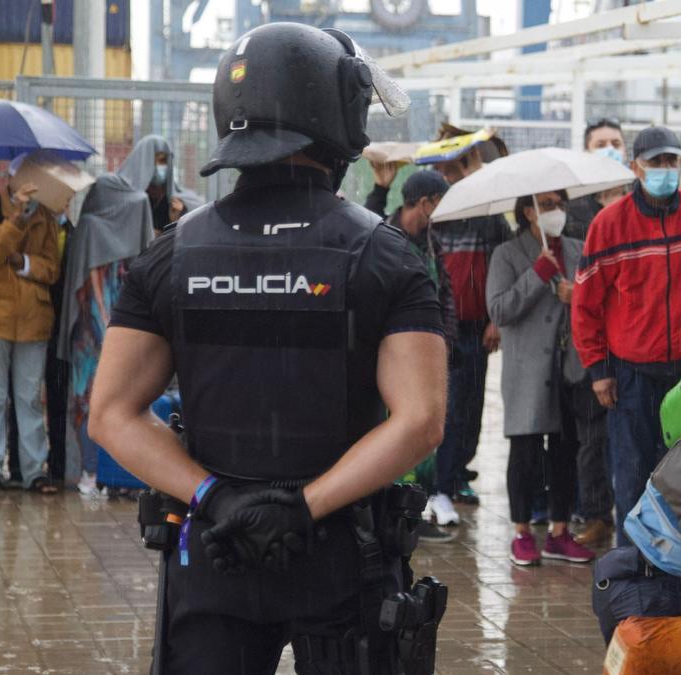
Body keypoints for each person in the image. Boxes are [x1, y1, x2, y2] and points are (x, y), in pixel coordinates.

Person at [87, 22, 448, 674]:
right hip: (344, 555)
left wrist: (219, 499)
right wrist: (300, 507)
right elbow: (420, 420)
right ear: (336, 114)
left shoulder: (170, 256)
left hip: (215, 552)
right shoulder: (386, 256)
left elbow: (110, 411)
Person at [572, 125, 681, 543]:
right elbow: (586, 305)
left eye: (671, 161)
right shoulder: (609, 224)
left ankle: (678, 561)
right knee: (632, 472)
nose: (664, 169)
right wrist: (598, 368)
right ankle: (633, 562)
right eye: (655, 162)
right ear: (635, 168)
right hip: (631, 373)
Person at [60, 136, 204, 496]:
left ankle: (122, 475)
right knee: (92, 395)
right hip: (96, 321)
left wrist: (176, 216)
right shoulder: (111, 193)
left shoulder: (171, 202)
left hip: (129, 319)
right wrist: (106, 318)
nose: (160, 168)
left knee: (131, 397)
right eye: (155, 160)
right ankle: (89, 470)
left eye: (165, 160)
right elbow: (94, 269)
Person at [486, 189, 598, 565]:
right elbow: (500, 309)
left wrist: (576, 296)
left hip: (570, 366)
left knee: (566, 451)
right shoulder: (507, 254)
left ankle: (559, 531)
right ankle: (521, 532)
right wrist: (538, 275)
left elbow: (597, 299)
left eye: (560, 205)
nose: (557, 212)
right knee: (526, 452)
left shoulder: (579, 249)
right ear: (528, 212)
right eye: (547, 205)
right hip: (527, 369)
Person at [418, 125, 512, 525]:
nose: (451, 175)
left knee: (470, 412)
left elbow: (503, 267)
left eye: (459, 166)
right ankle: (435, 484)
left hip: (478, 329)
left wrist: (496, 318)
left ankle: (454, 474)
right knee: (447, 411)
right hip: (441, 333)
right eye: (445, 169)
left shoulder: (488, 217)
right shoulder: (430, 217)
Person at [0, 177, 62, 496]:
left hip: (33, 319)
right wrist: (15, 217)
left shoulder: (47, 217)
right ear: (10, 178)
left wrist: (23, 262)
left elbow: (52, 268)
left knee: (29, 399)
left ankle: (35, 470)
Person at [386, 169, 458, 544]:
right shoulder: (386, 236)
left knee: (429, 437)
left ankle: (417, 510)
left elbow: (445, 293)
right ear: (425, 201)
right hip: (395, 354)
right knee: (399, 432)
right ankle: (395, 511)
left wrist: (446, 339)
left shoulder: (433, 241)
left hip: (429, 353)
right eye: (439, 201)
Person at [565, 118, 629, 241]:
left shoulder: (641, 196)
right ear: (586, 153)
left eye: (616, 144)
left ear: (625, 151)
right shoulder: (572, 203)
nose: (610, 150)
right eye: (600, 145)